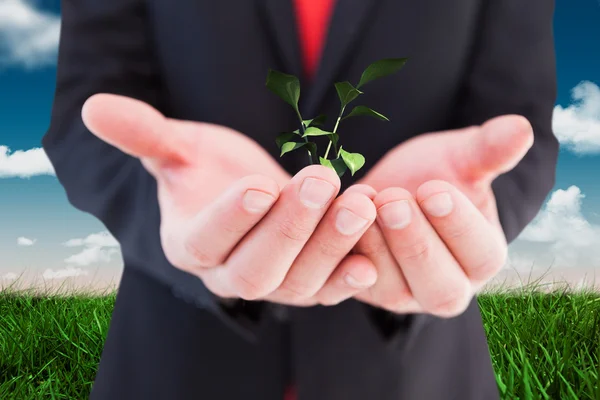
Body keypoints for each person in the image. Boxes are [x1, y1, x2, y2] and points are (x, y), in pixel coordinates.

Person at [42, 0, 559, 399]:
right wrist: (174, 218)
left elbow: (520, 131)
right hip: (178, 357)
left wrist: (455, 221)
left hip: (417, 372)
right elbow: (83, 127)